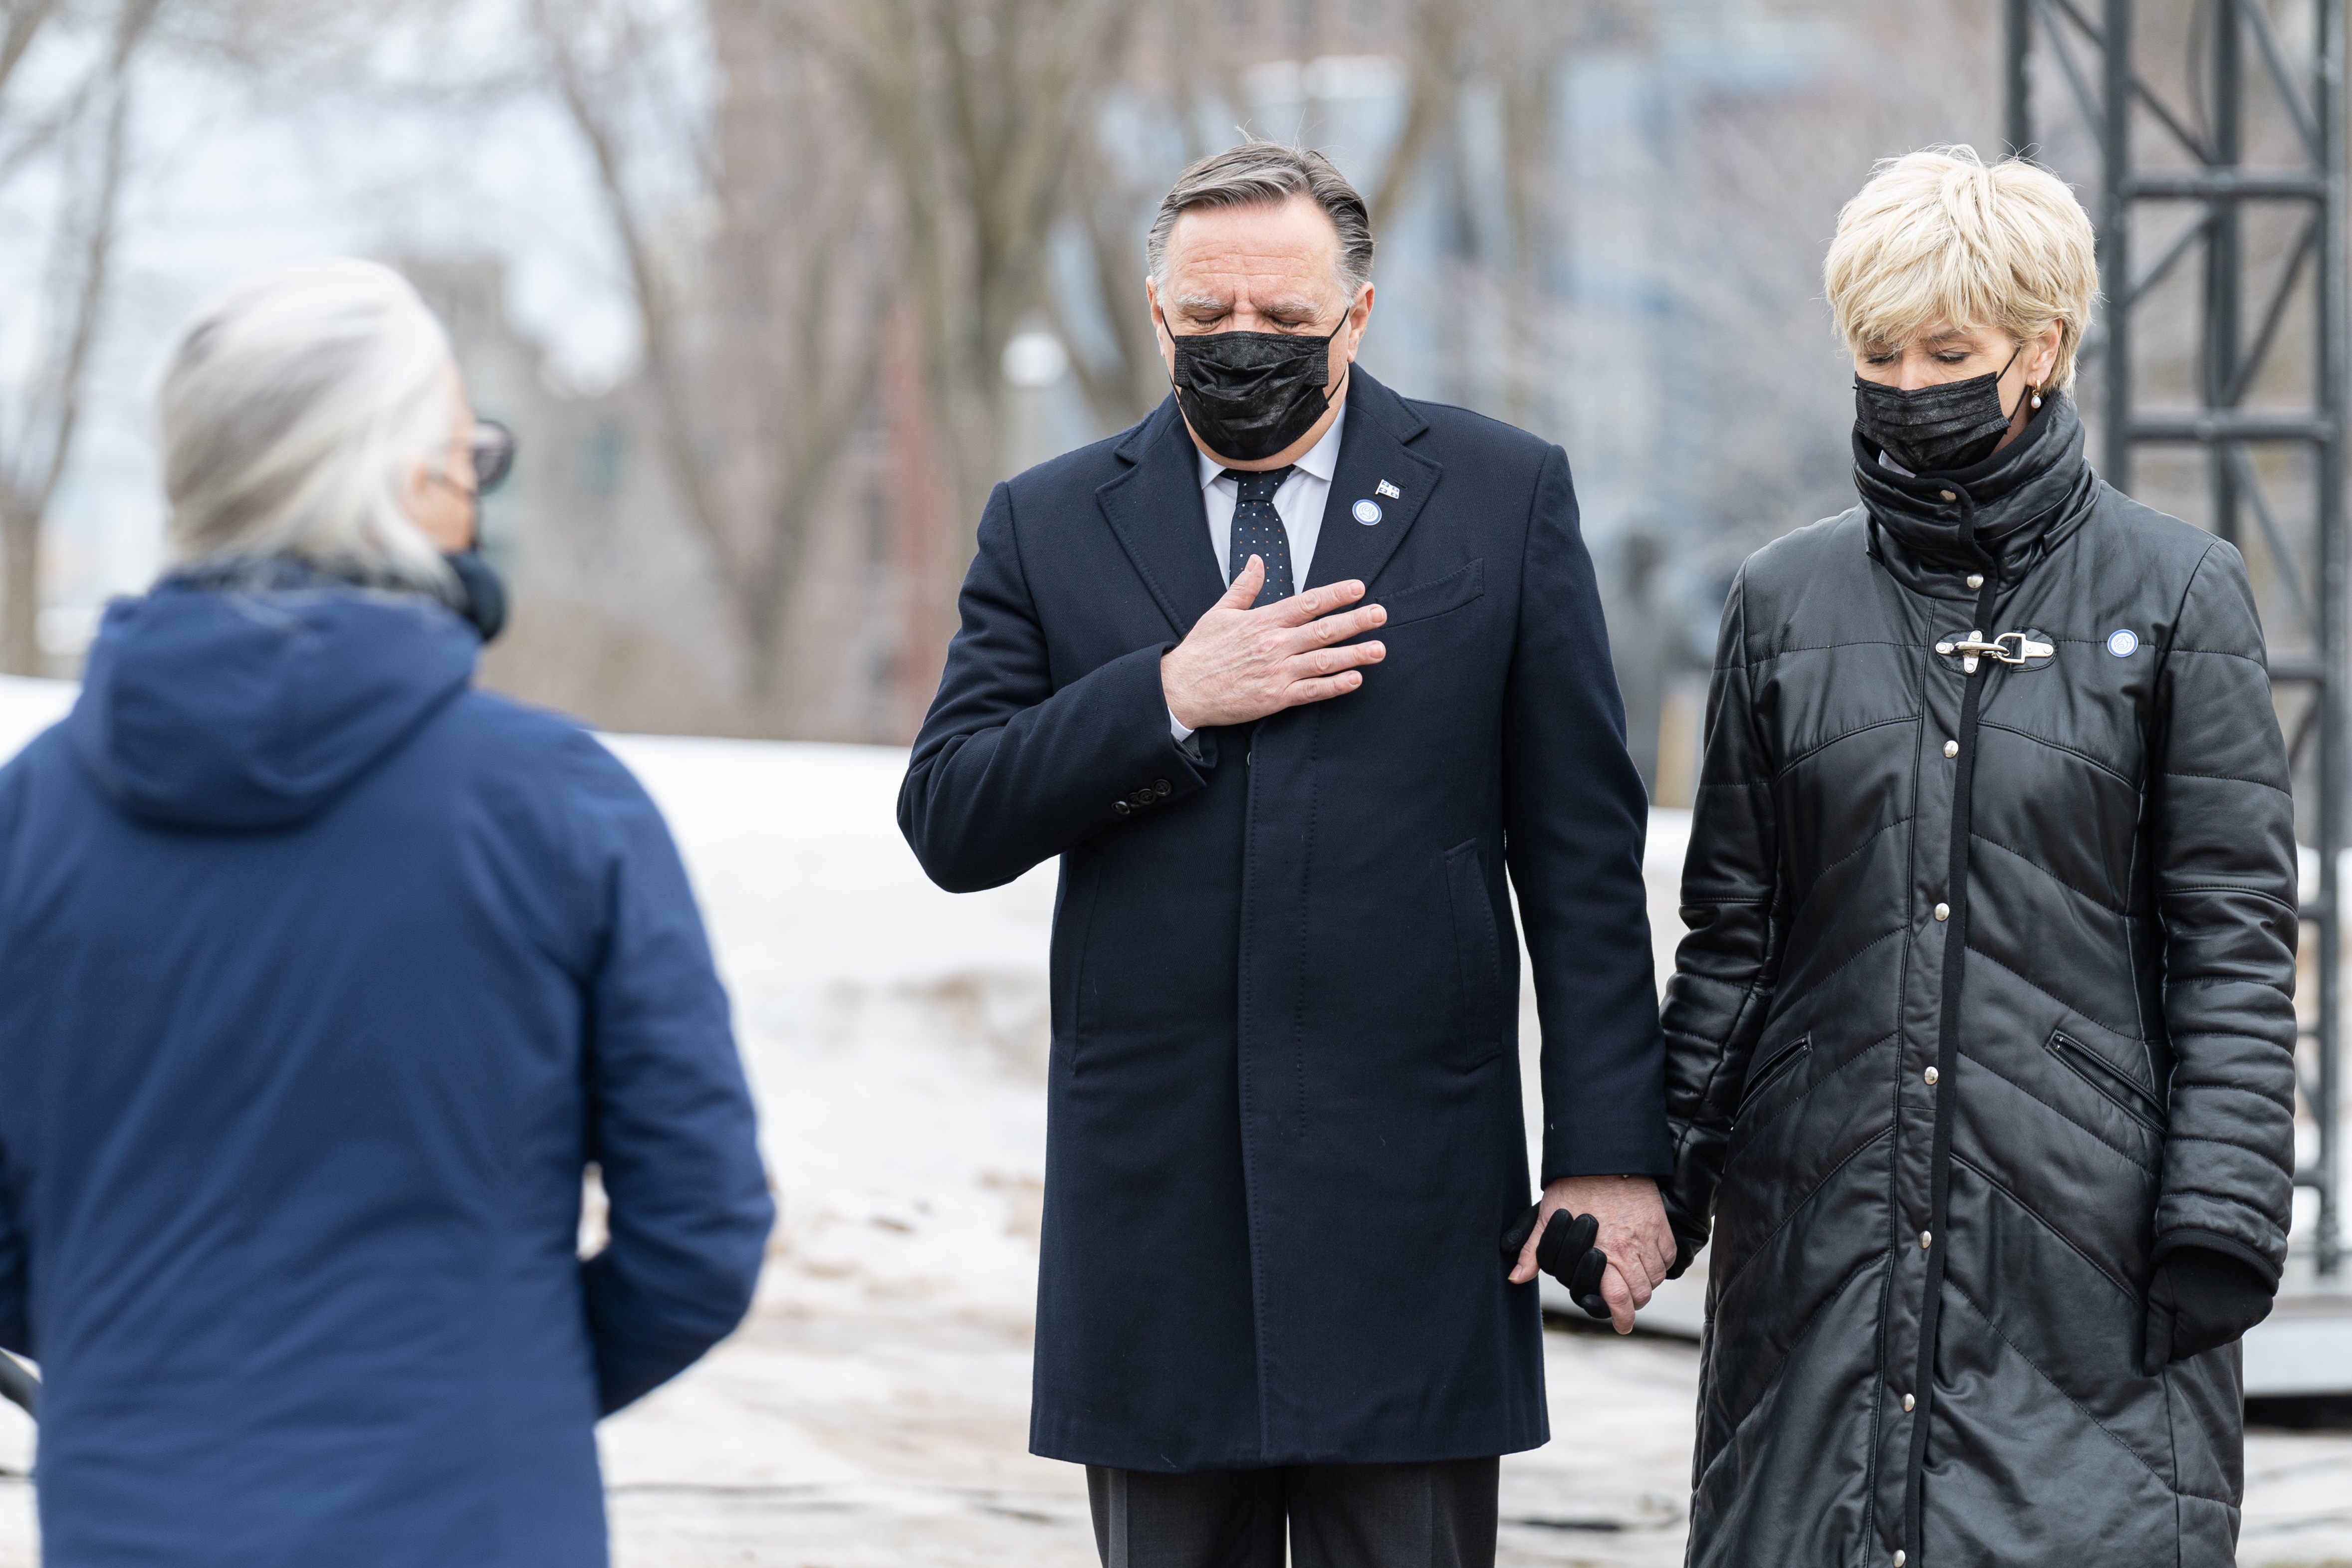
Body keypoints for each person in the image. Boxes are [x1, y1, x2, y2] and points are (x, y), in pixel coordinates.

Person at [898, 140, 1675, 1568]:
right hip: (1158, 1215)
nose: (1239, 345)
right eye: (1204, 320)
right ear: (1155, 311)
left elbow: (1579, 856)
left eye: (1280, 319)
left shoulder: (1500, 497)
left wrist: (1612, 1155)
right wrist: (1165, 696)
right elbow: (951, 816)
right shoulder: (1049, 521)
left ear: (1357, 318)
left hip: (1416, 1207)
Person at [0, 259, 774, 1566]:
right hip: (472, 1509)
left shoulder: (28, 820)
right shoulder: (557, 806)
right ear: (415, 481)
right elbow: (695, 1234)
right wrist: (488, 1397)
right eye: (470, 451)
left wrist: (162, 1382)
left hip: (134, 1513)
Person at [1659, 146, 2297, 1567]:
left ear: (2039, 348)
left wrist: (2223, 1211)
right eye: (1878, 350)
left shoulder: (2177, 592)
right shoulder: (1781, 601)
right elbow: (1732, 936)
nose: (1904, 382)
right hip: (1819, 1231)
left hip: (2089, 1243)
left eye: (1945, 349)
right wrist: (1656, 1184)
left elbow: (2235, 937)